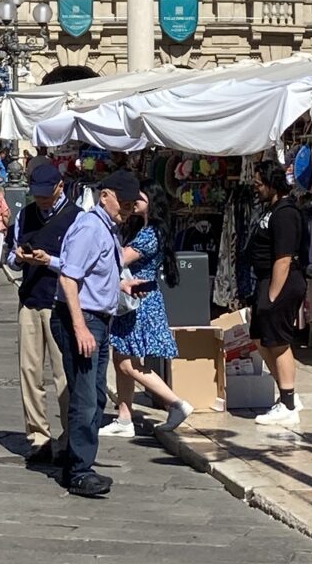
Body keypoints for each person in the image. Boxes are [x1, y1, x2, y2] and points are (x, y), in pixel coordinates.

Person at [50, 170, 145, 498]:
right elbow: (68, 278)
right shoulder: (91, 228)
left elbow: (95, 274)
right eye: (124, 203)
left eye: (132, 205)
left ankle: (76, 464)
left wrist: (123, 285)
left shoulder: (108, 229)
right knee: (86, 398)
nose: (128, 210)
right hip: (83, 320)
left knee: (96, 395)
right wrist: (79, 327)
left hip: (100, 320)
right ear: (105, 196)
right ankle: (80, 471)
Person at [102, 181, 192, 437]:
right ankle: (124, 417)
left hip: (141, 302)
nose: (134, 201)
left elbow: (120, 258)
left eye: (139, 197)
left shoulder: (151, 233)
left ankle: (176, 403)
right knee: (122, 358)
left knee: (127, 363)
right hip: (131, 300)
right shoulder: (139, 228)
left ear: (152, 201)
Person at [10, 163, 80, 463]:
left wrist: (49, 261)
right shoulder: (25, 215)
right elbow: (10, 255)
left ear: (60, 187)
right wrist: (19, 258)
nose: (41, 200)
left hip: (59, 303)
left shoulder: (77, 218)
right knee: (29, 371)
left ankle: (68, 438)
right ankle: (38, 437)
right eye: (36, 194)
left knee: (63, 374)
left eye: (46, 195)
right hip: (29, 300)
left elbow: (79, 264)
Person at [249, 161, 307, 427]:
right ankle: (287, 392)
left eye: (259, 183)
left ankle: (288, 404)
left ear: (272, 184)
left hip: (282, 282)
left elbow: (283, 258)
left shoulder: (286, 213)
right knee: (260, 337)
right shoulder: (271, 210)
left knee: (278, 341)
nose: (256, 188)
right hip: (265, 280)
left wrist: (272, 296)